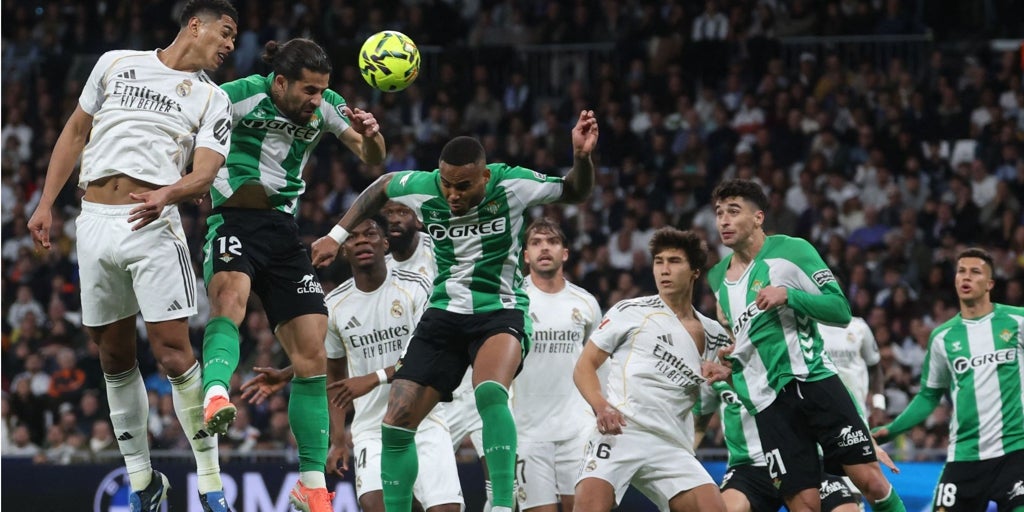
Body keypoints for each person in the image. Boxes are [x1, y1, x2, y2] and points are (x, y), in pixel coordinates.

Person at [310, 110, 599, 512]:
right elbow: (381, 186)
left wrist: (582, 158)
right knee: (396, 423)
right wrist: (335, 234)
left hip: (499, 309)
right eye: (447, 184)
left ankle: (502, 505)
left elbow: (574, 191)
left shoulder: (512, 184)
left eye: (463, 186)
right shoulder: (424, 187)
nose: (452, 195)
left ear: (485, 176)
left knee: (490, 391)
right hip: (444, 313)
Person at [26, 2, 238, 510]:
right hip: (94, 222)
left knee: (173, 353)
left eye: (234, 38)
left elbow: (205, 173)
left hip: (153, 225)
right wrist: (46, 202)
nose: (230, 45)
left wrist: (168, 194)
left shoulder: (214, 98)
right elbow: (75, 132)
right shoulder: (115, 62)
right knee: (113, 357)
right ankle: (144, 483)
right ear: (195, 25)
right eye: (226, 32)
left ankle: (210, 483)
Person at [197, 37, 385, 512]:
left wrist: (371, 133)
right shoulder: (237, 95)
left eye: (322, 90)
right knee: (230, 301)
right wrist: (194, 176)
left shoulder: (328, 106)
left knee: (312, 350)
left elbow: (372, 157)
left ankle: (310, 484)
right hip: (233, 220)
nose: (317, 100)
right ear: (280, 82)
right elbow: (187, 130)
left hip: (283, 232)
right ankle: (215, 394)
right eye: (309, 90)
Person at [701, 179, 905, 512]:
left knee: (871, 481)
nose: (723, 220)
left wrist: (789, 295)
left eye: (733, 211)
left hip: (813, 381)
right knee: (804, 504)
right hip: (770, 405)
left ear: (758, 217)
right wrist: (731, 369)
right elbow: (746, 342)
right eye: (719, 212)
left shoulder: (793, 250)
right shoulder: (717, 277)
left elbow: (840, 311)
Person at [238, 219, 463, 512]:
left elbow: (428, 354)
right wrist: (338, 441)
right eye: (353, 238)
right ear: (344, 250)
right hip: (371, 427)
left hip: (424, 420)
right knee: (375, 505)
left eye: (370, 234)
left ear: (385, 243)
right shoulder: (334, 305)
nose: (362, 241)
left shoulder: (416, 287)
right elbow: (334, 376)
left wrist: (374, 378)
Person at [572, 227, 729, 512]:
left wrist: (729, 375)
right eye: (659, 261)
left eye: (674, 261)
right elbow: (584, 366)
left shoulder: (715, 334)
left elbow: (726, 393)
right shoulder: (630, 311)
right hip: (621, 432)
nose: (664, 270)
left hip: (671, 443)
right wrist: (601, 407)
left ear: (695, 271)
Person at [873, 248, 1024, 512]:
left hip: (1016, 451)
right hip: (965, 456)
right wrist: (892, 430)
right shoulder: (942, 337)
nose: (966, 277)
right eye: (961, 271)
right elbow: (929, 395)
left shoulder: (1017, 320)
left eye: (975, 272)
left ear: (990, 283)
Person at [514, 218, 602, 512]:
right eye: (536, 243)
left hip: (578, 428)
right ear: (526, 255)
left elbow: (600, 364)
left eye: (552, 242)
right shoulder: (513, 301)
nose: (544, 248)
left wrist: (603, 408)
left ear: (564, 253)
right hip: (527, 431)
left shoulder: (586, 302)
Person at [695, 380, 863, 512]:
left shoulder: (787, 354)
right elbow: (698, 425)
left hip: (802, 459)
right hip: (749, 468)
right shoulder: (715, 366)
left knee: (847, 510)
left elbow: (834, 399)